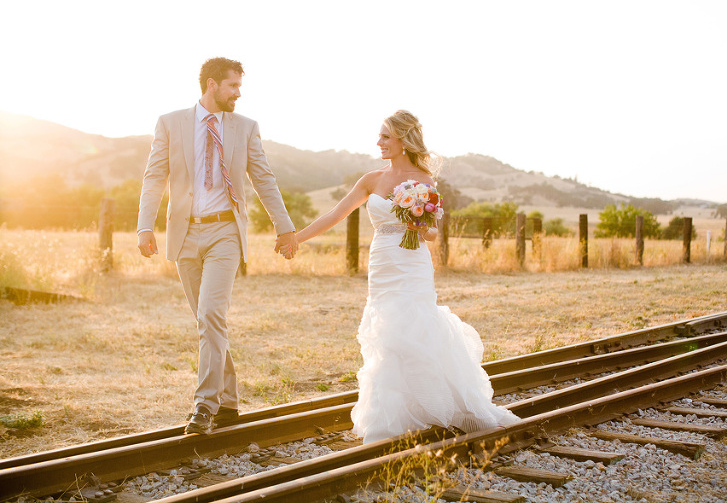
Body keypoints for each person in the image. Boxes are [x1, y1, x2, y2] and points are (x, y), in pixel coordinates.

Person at [293, 110, 519, 443]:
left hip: (412, 263)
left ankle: (435, 405)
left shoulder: (424, 180)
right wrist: (297, 238)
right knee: (387, 332)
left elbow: (431, 234)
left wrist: (419, 225)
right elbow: (335, 214)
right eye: (380, 136)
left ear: (403, 139)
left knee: (414, 327)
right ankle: (394, 414)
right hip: (382, 261)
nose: (379, 142)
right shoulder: (370, 179)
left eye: (385, 136)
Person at [137, 57, 298, 435]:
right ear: (212, 85)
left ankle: (204, 406)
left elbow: (264, 178)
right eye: (233, 86)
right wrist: (145, 225)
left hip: (226, 232)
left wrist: (285, 227)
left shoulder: (245, 128)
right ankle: (229, 399)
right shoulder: (170, 123)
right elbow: (154, 176)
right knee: (206, 320)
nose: (238, 94)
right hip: (186, 233)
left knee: (211, 315)